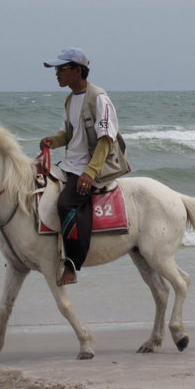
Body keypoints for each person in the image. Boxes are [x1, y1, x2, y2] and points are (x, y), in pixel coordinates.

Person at [40, 47, 130, 286]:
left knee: (67, 204)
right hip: (70, 164)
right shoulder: (70, 99)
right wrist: (53, 140)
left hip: (91, 167)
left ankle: (71, 264)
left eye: (62, 69)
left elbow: (105, 139)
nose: (57, 74)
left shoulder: (99, 98)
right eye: (56, 69)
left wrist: (90, 172)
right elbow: (67, 135)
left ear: (78, 71)